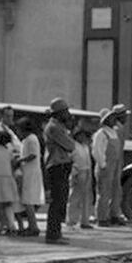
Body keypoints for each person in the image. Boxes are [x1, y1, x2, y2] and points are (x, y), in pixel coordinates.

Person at [43, 97, 75, 244]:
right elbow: (70, 145)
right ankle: (52, 235)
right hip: (56, 166)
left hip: (62, 165)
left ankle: (57, 232)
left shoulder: (59, 126)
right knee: (57, 202)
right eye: (65, 111)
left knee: (61, 201)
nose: (68, 114)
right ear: (58, 113)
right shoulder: (54, 127)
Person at [92, 107, 123, 227]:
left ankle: (113, 215)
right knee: (103, 192)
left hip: (114, 166)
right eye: (110, 118)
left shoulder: (114, 132)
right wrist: (103, 164)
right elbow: (97, 151)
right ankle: (101, 217)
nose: (113, 119)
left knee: (115, 191)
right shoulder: (101, 133)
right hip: (105, 166)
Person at [14, 117, 43, 236]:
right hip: (27, 172)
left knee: (28, 201)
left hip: (31, 173)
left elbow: (33, 155)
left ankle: (33, 226)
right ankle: (31, 225)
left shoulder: (31, 139)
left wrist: (19, 160)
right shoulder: (26, 140)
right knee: (26, 200)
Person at [67, 121, 93, 230]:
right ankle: (71, 220)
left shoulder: (85, 146)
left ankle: (85, 220)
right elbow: (71, 160)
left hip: (87, 171)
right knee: (75, 198)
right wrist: (74, 174)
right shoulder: (73, 146)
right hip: (78, 172)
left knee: (86, 198)